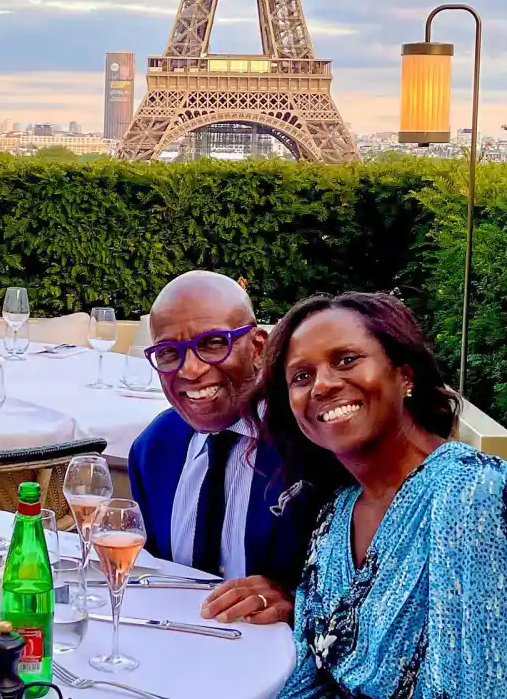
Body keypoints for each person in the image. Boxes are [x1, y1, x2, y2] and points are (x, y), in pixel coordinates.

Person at [265, 292, 507, 699]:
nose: (322, 385)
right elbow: (309, 672)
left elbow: (476, 685)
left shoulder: (470, 492)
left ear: (405, 376)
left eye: (346, 360)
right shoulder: (335, 515)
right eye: (301, 377)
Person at [128, 272, 317, 626]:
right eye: (168, 353)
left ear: (258, 348)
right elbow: (151, 571)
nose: (191, 369)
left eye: (213, 343)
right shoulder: (153, 450)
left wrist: (295, 601)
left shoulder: (312, 443)